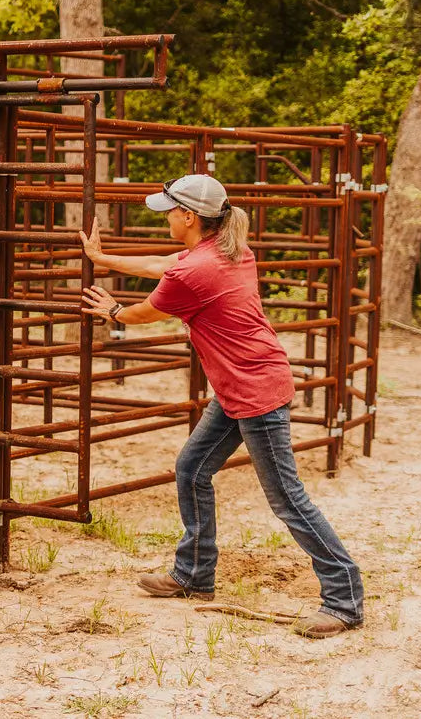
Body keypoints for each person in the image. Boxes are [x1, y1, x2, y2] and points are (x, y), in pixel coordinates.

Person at [78, 174, 364, 639]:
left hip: (254, 393)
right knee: (191, 468)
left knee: (288, 500)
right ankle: (193, 574)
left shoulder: (197, 270)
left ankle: (344, 599)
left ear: (188, 216)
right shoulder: (227, 251)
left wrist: (113, 311)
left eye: (169, 210)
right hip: (241, 386)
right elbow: (168, 264)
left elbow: (147, 309)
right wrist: (103, 257)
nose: (166, 217)